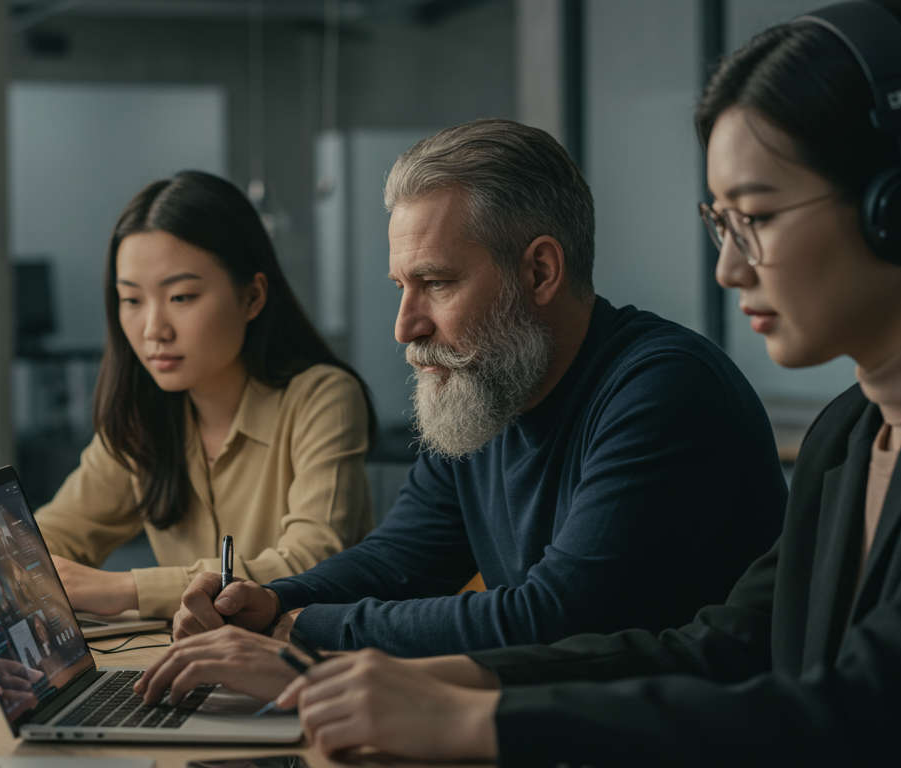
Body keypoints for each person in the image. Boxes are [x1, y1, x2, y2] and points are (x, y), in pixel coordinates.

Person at [241, 2, 901, 762]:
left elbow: (861, 707)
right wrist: (452, 680)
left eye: (757, 216)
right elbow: (717, 649)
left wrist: (481, 722)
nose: (728, 267)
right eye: (721, 224)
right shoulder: (848, 432)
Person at [136, 116, 787, 694]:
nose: (405, 325)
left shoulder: (663, 390)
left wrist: (298, 627)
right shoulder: (491, 387)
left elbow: (550, 619)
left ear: (539, 272)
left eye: (436, 284)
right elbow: (399, 561)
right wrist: (269, 599)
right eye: (400, 286)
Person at [36, 170, 378, 619]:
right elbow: (50, 538)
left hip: (308, 671)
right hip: (188, 668)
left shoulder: (322, 398)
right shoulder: (145, 417)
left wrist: (124, 589)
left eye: (181, 297)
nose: (154, 329)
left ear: (252, 296)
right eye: (132, 301)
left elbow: (309, 562)